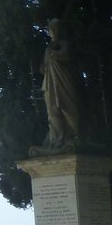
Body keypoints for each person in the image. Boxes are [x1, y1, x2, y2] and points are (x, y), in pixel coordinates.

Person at [41, 18, 81, 149]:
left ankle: (74, 135)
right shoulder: (49, 48)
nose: (53, 31)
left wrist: (52, 53)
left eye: (56, 28)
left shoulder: (65, 44)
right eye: (51, 29)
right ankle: (57, 138)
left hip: (63, 80)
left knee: (69, 108)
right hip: (50, 83)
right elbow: (45, 67)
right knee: (53, 111)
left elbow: (66, 56)